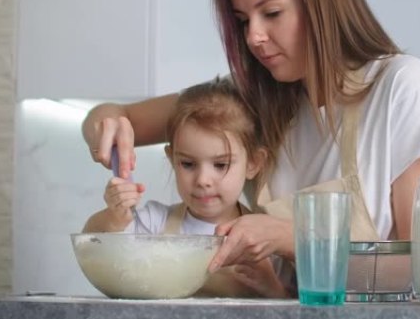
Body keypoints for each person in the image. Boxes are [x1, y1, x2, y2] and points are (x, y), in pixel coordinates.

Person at [82, 0, 420, 276]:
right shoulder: (254, 96)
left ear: (321, 5)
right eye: (243, 21)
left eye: (272, 13)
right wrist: (105, 123)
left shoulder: (403, 89)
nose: (254, 38)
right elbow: (116, 116)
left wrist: (291, 238)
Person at [82, 79, 290, 298]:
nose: (203, 180)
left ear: (253, 164)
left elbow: (287, 309)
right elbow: (95, 244)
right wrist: (115, 215)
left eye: (220, 165)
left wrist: (273, 289)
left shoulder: (263, 240)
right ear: (172, 158)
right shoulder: (154, 223)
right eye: (188, 164)